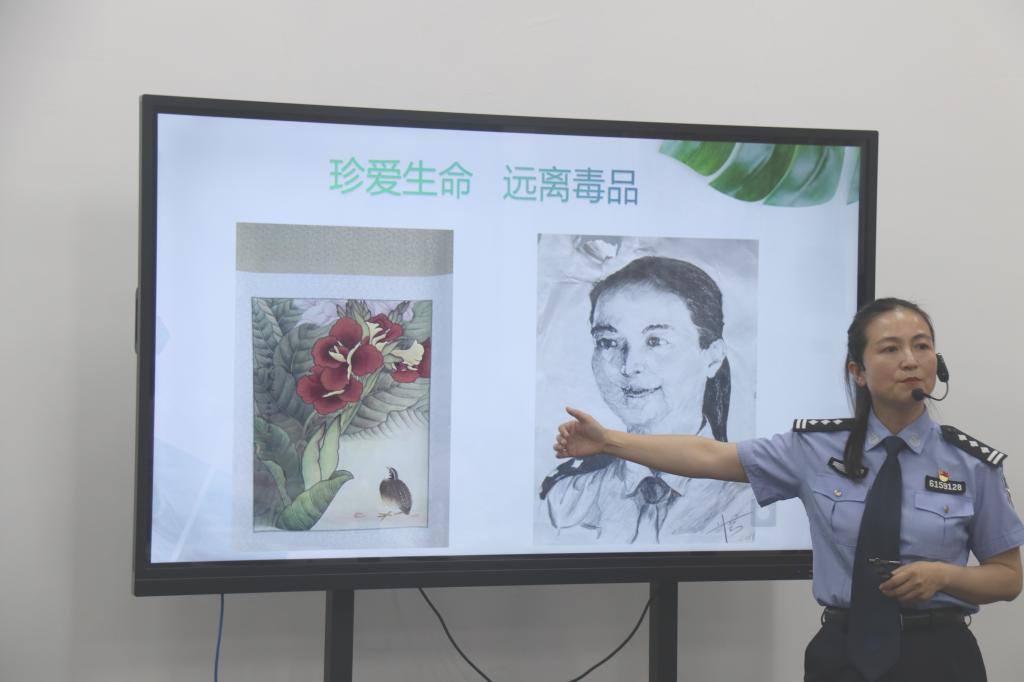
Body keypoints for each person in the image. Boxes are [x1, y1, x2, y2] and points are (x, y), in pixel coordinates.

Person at [554, 297, 1024, 681]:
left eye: (922, 346)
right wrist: (610, 442)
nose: (910, 360)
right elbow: (709, 455)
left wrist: (944, 577)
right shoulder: (814, 450)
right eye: (890, 349)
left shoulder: (971, 464)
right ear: (857, 371)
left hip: (940, 656)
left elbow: (1007, 577)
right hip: (844, 656)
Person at [541, 255, 755, 544]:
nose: (629, 366)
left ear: (713, 357)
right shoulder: (565, 502)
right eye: (608, 342)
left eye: (655, 341)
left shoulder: (750, 500)